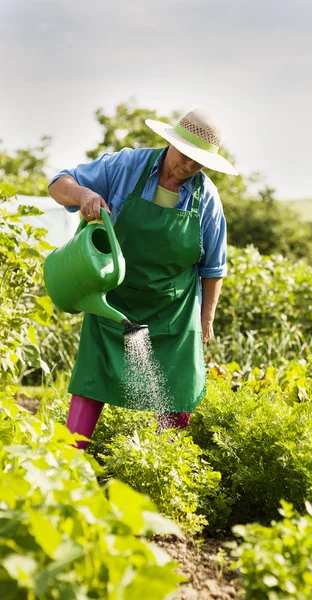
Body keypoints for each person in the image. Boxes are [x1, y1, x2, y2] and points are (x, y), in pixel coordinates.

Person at [48, 108, 238, 448]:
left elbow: (213, 267)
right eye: (186, 156)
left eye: (199, 162)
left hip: (174, 311)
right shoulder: (125, 166)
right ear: (170, 142)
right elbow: (58, 184)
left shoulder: (206, 197)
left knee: (177, 387)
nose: (190, 167)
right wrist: (84, 195)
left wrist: (205, 317)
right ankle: (68, 460)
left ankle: (163, 463)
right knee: (93, 378)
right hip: (113, 300)